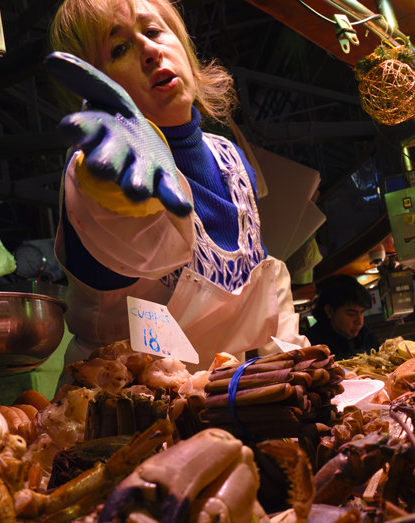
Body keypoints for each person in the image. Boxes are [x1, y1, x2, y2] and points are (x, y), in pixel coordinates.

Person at [47, 0, 305, 369]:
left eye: (153, 32)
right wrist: (114, 189)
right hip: (127, 413)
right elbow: (140, 248)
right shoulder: (97, 175)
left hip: (231, 406)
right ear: (94, 85)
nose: (150, 51)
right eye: (119, 49)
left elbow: (265, 306)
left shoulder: (231, 160)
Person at [303, 274, 379, 360]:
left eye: (362, 312)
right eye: (351, 314)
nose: (359, 321)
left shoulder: (368, 337)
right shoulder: (310, 345)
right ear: (329, 311)